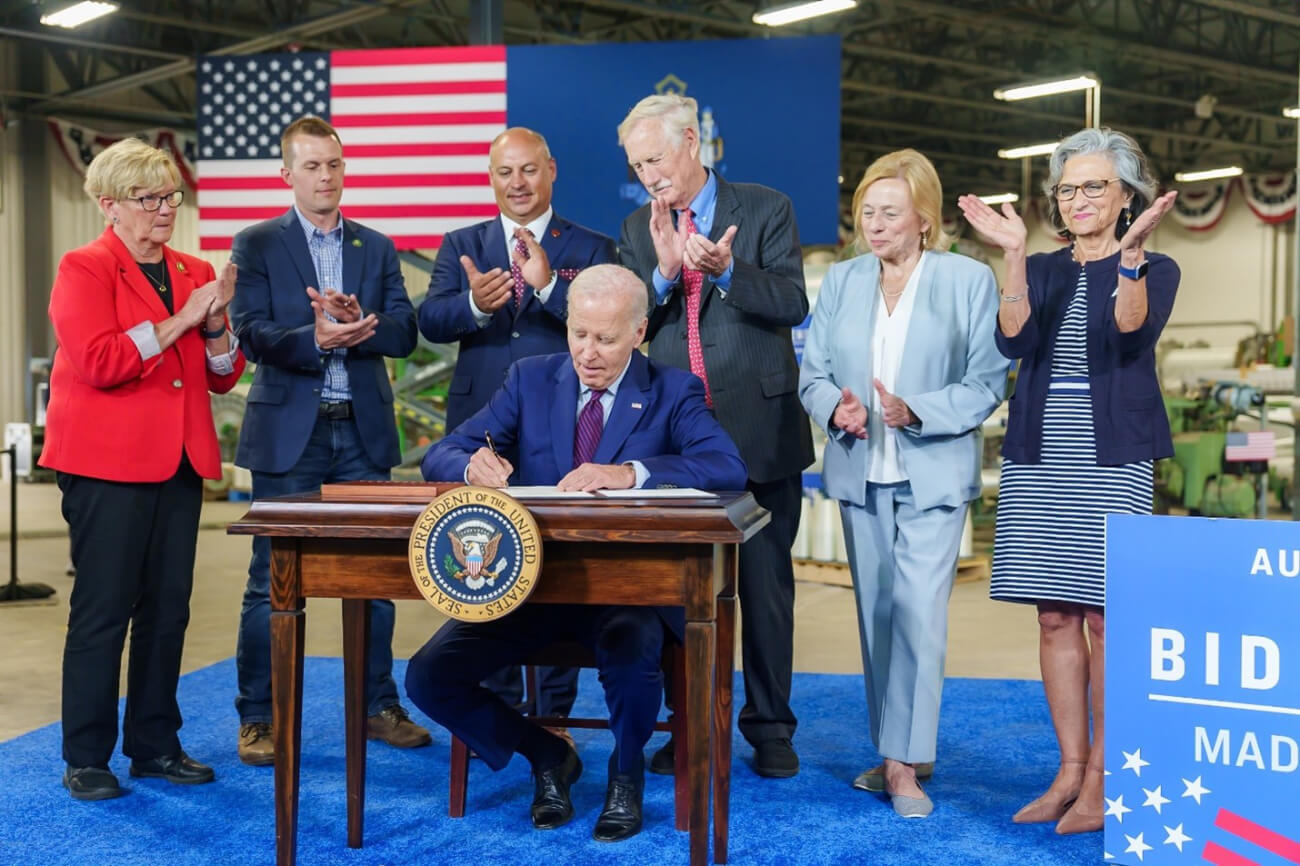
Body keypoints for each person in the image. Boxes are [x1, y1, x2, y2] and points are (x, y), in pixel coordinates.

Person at [409, 264, 747, 842]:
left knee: (634, 645)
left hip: (627, 590)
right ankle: (547, 755)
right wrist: (471, 465)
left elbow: (727, 468)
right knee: (428, 677)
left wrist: (630, 472)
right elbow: (444, 451)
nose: (587, 353)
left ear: (639, 331)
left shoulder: (674, 390)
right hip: (531, 588)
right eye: (578, 333)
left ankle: (626, 773)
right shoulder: (530, 379)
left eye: (606, 339)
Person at [958, 128, 1179, 835]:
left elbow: (1126, 332)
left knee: (1106, 618)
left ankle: (1106, 781)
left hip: (1112, 457)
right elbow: (1015, 339)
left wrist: (1133, 260)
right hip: (1040, 451)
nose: (1079, 198)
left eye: (1094, 186)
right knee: (1054, 614)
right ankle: (1069, 771)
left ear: (1125, 196)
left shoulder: (1158, 266)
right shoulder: (1046, 268)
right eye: (1067, 188)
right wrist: (1016, 257)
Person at [799, 149, 1009, 819]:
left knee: (919, 614)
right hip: (862, 472)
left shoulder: (968, 280)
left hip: (933, 475)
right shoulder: (841, 280)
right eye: (866, 212)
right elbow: (814, 372)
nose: (875, 224)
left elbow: (985, 384)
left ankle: (902, 766)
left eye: (890, 213)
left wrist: (916, 410)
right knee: (878, 618)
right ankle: (899, 747)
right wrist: (838, 406)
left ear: (924, 218)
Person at [617, 93, 813, 778]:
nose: (649, 174)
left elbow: (794, 301)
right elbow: (632, 324)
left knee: (764, 592)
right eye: (637, 164)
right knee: (678, 599)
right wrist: (666, 275)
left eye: (657, 158)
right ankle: (691, 723)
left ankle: (770, 730)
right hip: (676, 444)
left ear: (693, 143)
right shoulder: (637, 228)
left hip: (761, 431)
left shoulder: (764, 208)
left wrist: (725, 271)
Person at [41, 138, 245, 800]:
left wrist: (215, 329)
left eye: (169, 196)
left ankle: (155, 744)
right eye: (147, 198)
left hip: (179, 462)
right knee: (103, 612)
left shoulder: (193, 268)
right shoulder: (84, 268)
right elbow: (99, 360)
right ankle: (86, 756)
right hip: (105, 467)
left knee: (168, 611)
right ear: (109, 206)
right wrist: (185, 316)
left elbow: (222, 377)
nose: (164, 209)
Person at [229, 115, 428, 766]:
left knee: (375, 576)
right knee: (269, 582)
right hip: (291, 436)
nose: (326, 177)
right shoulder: (256, 244)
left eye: (334, 165)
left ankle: (376, 706)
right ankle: (259, 717)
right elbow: (250, 331)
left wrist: (359, 325)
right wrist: (314, 339)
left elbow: (405, 333)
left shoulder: (375, 246)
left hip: (363, 436)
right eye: (312, 166)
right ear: (287, 174)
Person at [418, 126, 616, 721]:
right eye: (505, 173)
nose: (517, 183)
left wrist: (551, 287)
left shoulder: (590, 247)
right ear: (491, 178)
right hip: (482, 430)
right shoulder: (462, 243)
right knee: (485, 563)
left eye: (528, 170)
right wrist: (476, 303)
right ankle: (496, 709)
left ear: (550, 170)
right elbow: (430, 321)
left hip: (567, 430)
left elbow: (610, 326)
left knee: (558, 572)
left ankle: (554, 716)